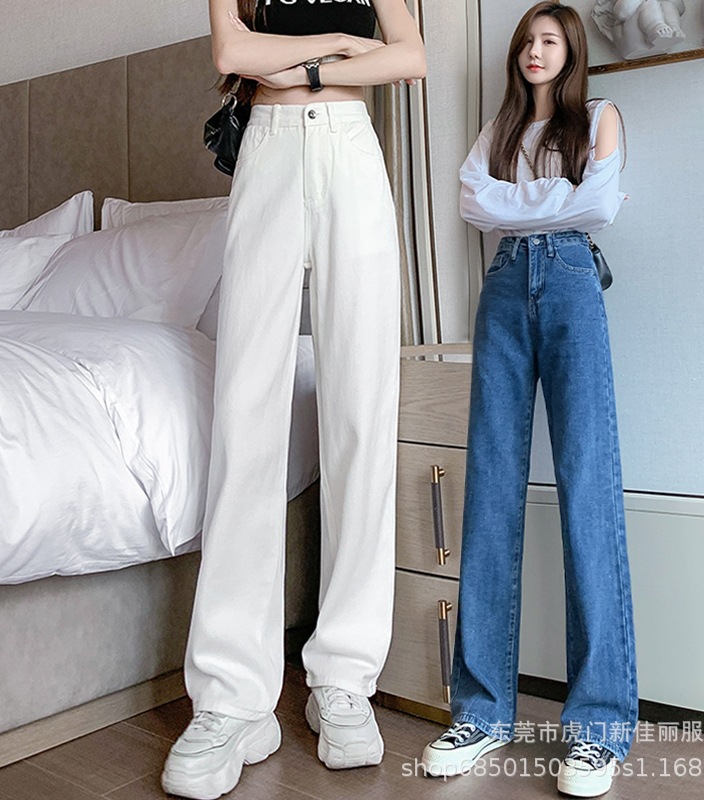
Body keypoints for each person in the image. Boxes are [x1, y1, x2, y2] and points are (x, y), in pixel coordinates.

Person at [161, 1, 425, 798]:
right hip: (269, 150)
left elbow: (409, 57)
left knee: (360, 415)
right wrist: (341, 46)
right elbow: (231, 51)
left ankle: (343, 678)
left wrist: (295, 63)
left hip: (351, 150)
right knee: (244, 417)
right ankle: (232, 700)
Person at [419, 3, 637, 797]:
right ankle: (480, 711)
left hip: (573, 282)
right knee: (491, 491)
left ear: (571, 50)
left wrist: (525, 204)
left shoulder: (601, 117)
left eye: (548, 41)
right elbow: (473, 204)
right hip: (506, 289)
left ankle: (599, 727)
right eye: (526, 42)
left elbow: (598, 207)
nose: (534, 52)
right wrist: (554, 198)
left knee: (587, 488)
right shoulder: (500, 129)